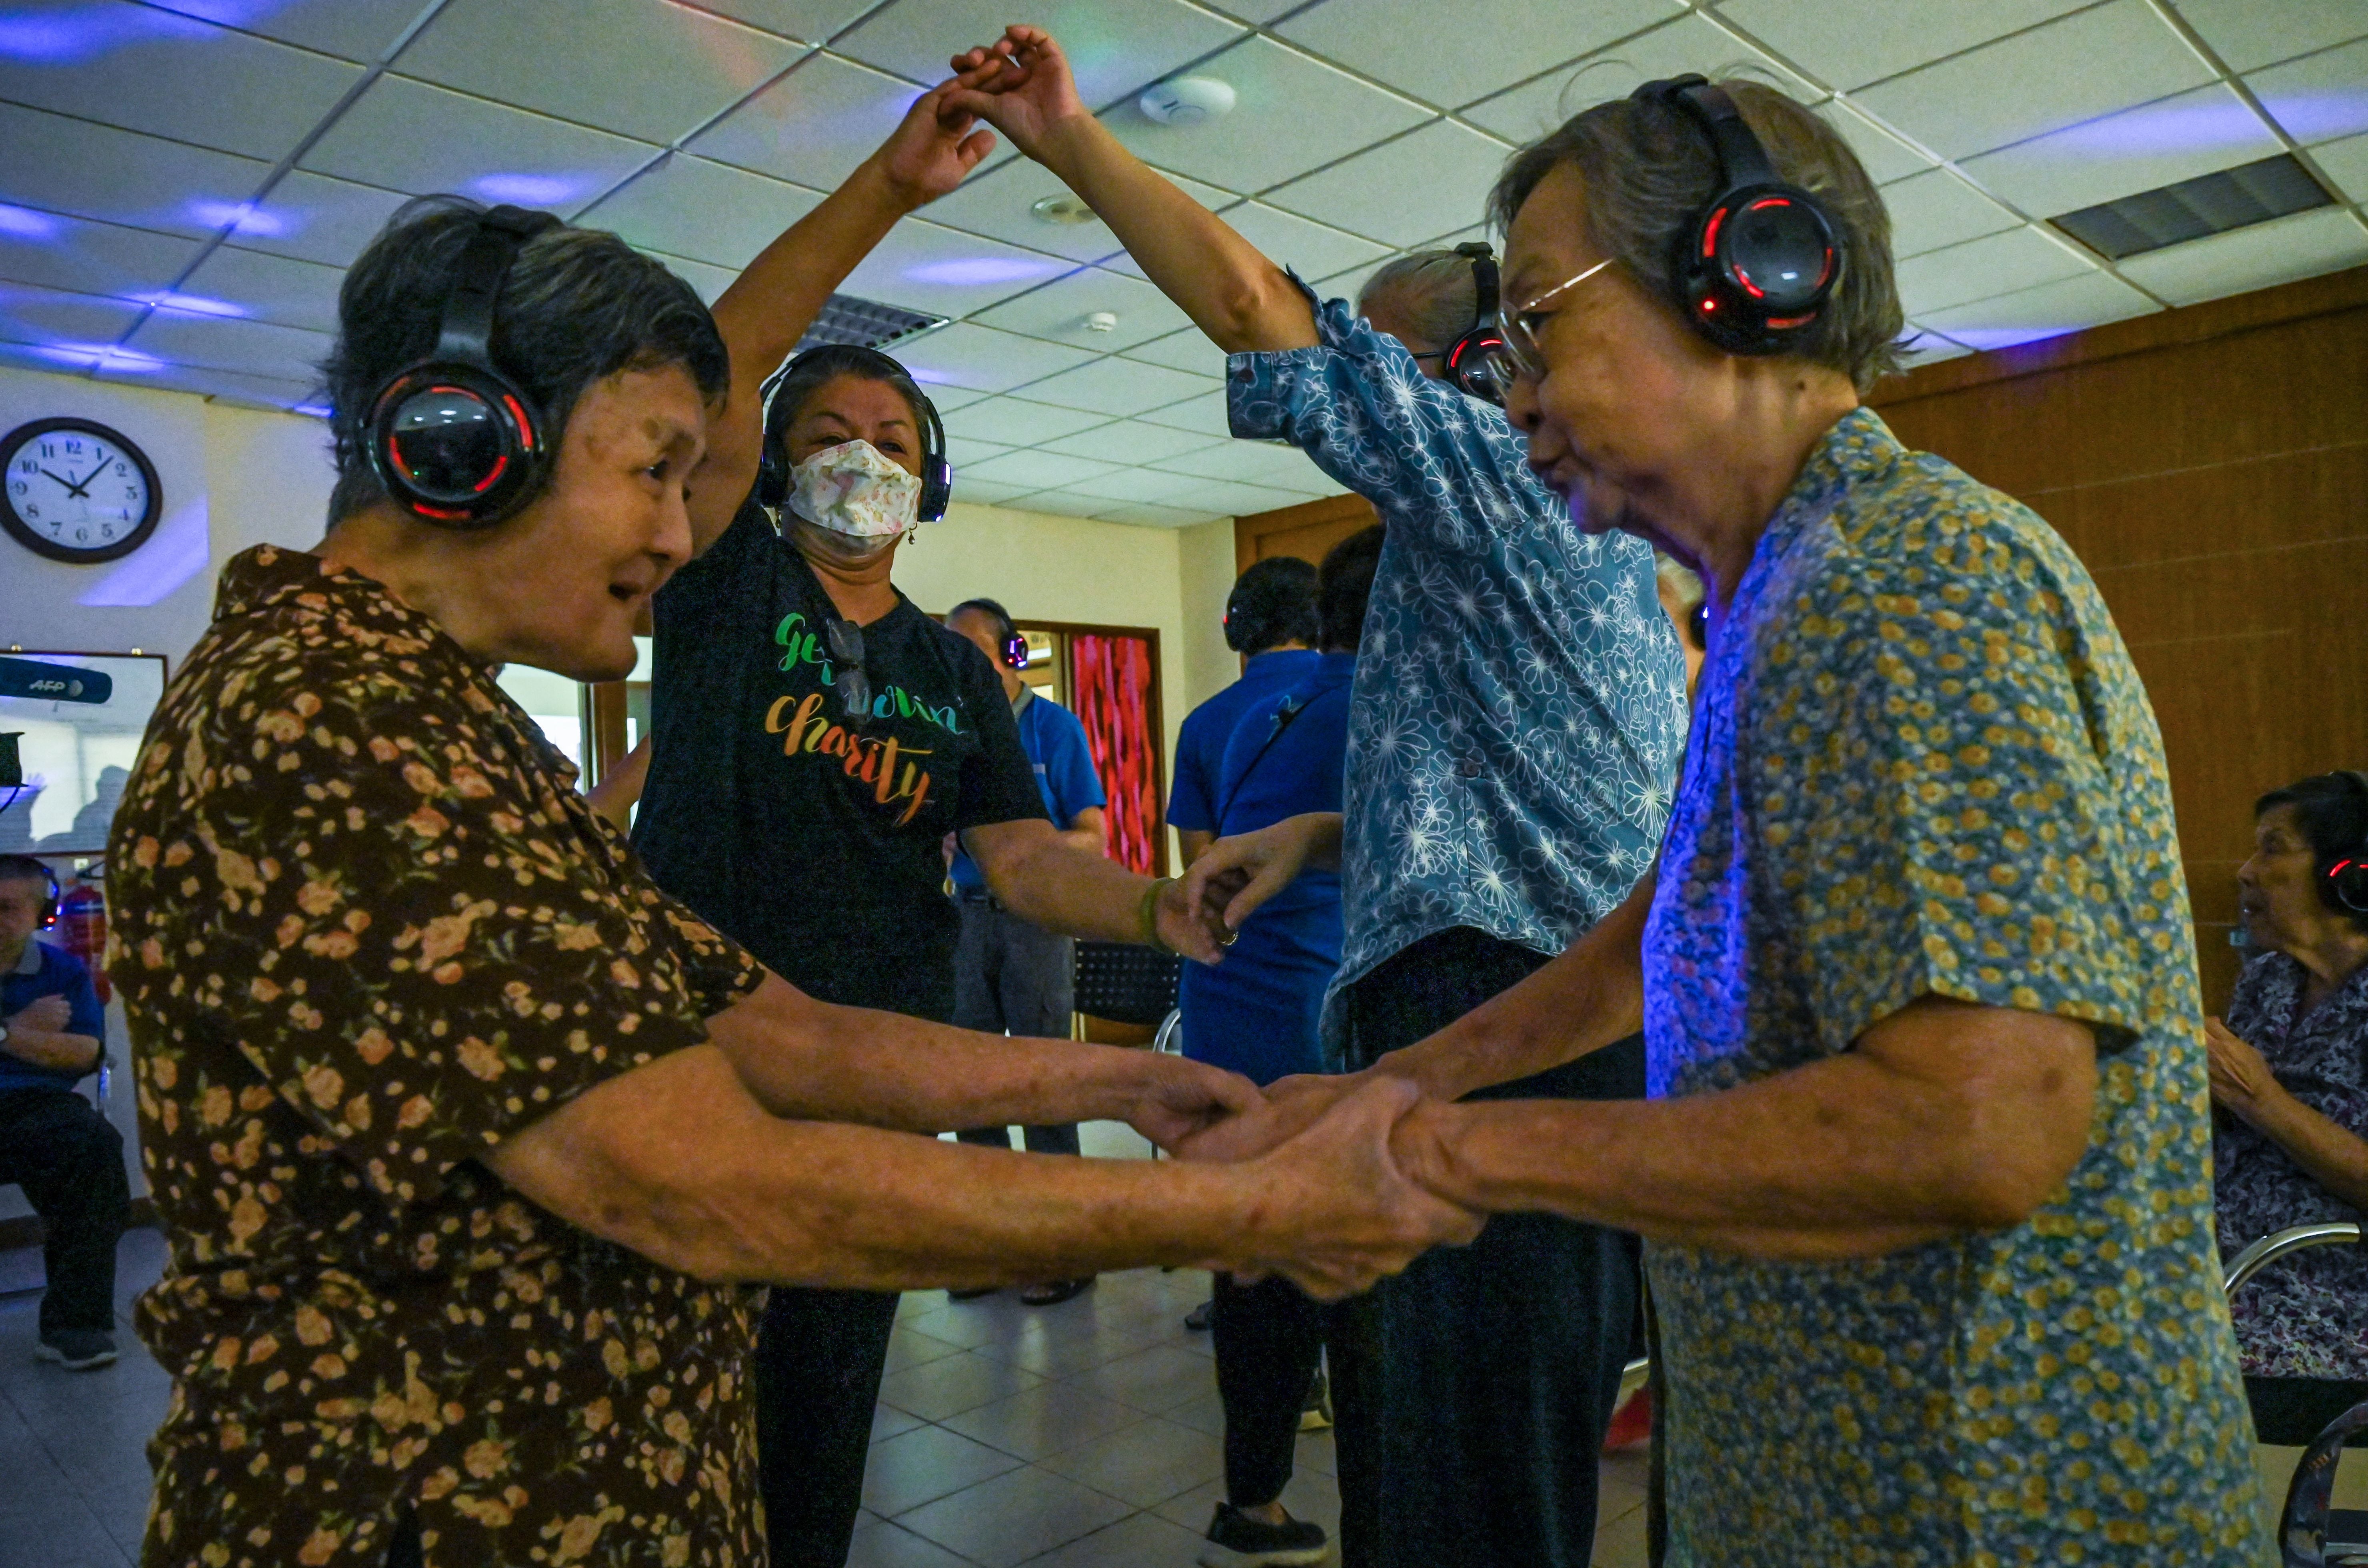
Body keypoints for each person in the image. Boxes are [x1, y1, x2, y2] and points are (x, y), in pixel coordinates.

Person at [105, 183, 1478, 1568]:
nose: (664, 529)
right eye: (650, 469)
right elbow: (697, 1178)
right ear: (468, 445)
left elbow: (769, 1024)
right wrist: (1241, 1208)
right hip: (428, 1507)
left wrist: (1124, 1082)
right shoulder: (329, 717)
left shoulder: (447, 714)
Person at [1183, 71, 2273, 1564]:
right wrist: (1401, 1087)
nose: (1509, 398)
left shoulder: (1903, 585)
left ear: (1745, 280)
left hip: (1985, 1509)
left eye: (1536, 332)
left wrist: (1442, 1160)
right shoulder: (1782, 596)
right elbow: (1666, 933)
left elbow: (1978, 1125)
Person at [947, 30, 1686, 1568]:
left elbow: (1256, 309)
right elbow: (1557, 796)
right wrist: (1329, 830)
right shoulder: (1595, 551)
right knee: (1451, 1452)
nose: (1384, 398)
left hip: (1506, 1015)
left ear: (1495, 371)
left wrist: (1069, 136)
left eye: (1411, 369)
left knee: (1467, 1479)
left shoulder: (1499, 480)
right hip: (1572, 1007)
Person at [584, 79, 1271, 1568]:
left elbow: (1020, 862)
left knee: (822, 1396)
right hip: (692, 1040)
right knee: (666, 1391)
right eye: (827, 432)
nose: (861, 452)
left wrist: (1162, 905)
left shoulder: (954, 669)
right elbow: (725, 360)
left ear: (928, 477)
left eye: (892, 433)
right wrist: (886, 193)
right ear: (765, 469)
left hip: (877, 1053)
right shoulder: (721, 588)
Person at [1191, 527, 1377, 1568]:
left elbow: (1199, 876)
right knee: (1351, 1266)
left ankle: (1249, 1493)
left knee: (1252, 1246)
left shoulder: (1214, 718)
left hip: (1225, 1003)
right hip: (1332, 1011)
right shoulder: (1385, 707)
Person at [942, 597, 1105, 1306]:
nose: (957, 660)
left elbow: (1092, 834)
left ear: (1010, 656)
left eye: (972, 647)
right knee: (970, 1082)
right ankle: (990, 1244)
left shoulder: (1053, 729)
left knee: (1043, 1079)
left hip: (1037, 921)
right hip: (963, 918)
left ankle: (1061, 1248)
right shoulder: (949, 730)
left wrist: (1022, 852)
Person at [2212, 770, 2368, 1446]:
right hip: (2218, 1267)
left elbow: (2252, 1102)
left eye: (2272, 848)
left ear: (2349, 876)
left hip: (2321, 1299)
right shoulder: (2266, 979)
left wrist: (2259, 1098)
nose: (2246, 872)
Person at [0, 853, 122, 1371]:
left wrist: (6, 1034)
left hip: (35, 1104)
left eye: (6, 907)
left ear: (39, 913)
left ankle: (76, 1324)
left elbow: (85, 1053)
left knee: (93, 1146)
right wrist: (18, 1029)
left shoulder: (64, 971)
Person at [1169, 557, 1321, 869]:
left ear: (1235, 629)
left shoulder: (1200, 725)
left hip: (1244, 913)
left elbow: (1198, 864)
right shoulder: (1367, 699)